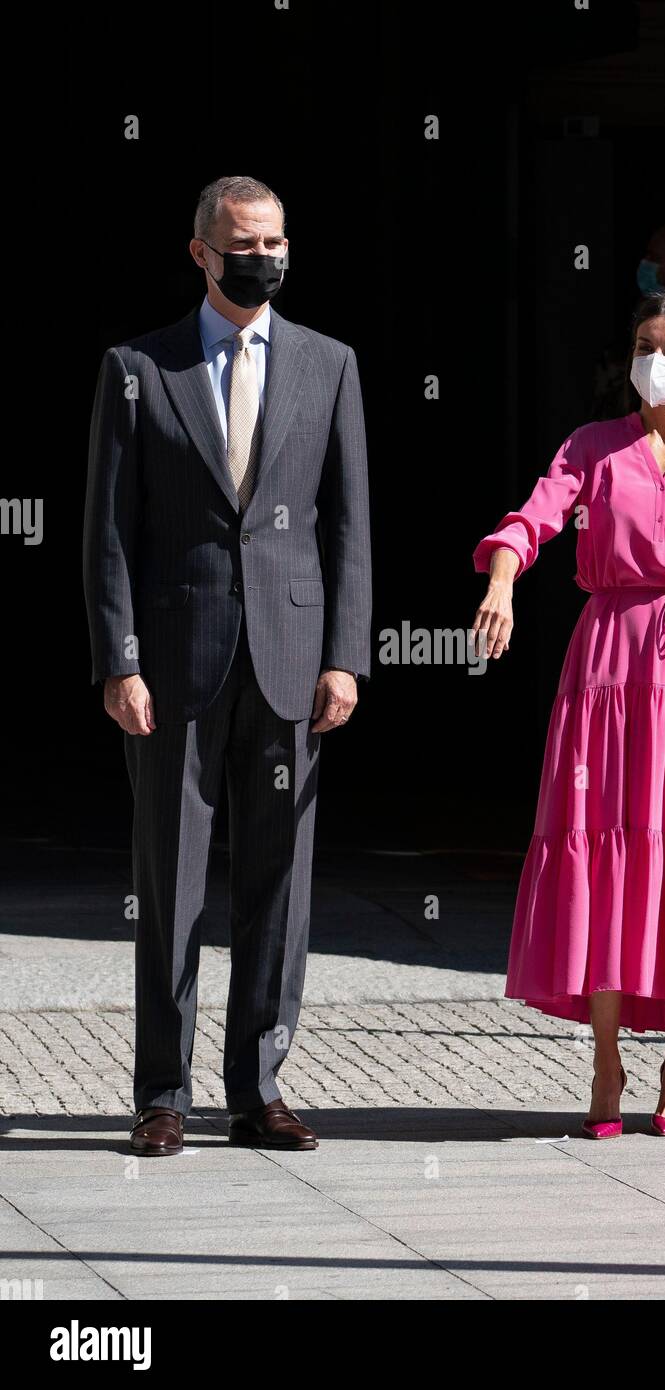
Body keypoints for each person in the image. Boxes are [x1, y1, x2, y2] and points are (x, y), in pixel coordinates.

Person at [83, 175, 372, 1156]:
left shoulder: (329, 364)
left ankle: (259, 1086)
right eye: (246, 242)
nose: (265, 257)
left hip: (290, 661)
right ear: (201, 250)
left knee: (278, 884)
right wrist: (119, 660)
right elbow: (108, 533)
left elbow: (349, 525)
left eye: (278, 240)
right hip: (175, 666)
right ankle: (161, 1092)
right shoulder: (138, 367)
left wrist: (345, 656)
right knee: (170, 883)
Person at [471, 290, 665, 1139]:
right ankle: (606, 1059)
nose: (657, 359)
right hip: (607, 663)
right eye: (645, 343)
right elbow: (534, 517)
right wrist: (501, 578)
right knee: (601, 848)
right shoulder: (592, 446)